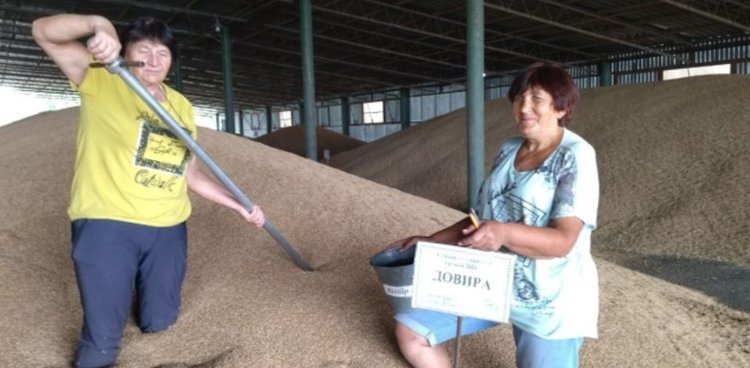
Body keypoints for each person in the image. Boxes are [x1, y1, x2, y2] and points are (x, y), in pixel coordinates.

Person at [32, 14, 266, 368]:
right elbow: (42, 32)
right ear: (125, 53)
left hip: (168, 228)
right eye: (143, 51)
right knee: (102, 343)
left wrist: (239, 206)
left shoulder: (181, 107)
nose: (154, 60)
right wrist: (99, 27)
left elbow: (190, 174)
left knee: (160, 321)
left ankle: (142, 298)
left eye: (163, 53)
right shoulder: (101, 78)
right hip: (108, 224)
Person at [388, 62, 599, 368]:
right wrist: (431, 242)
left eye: (536, 99)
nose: (524, 107)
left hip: (548, 300)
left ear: (561, 107)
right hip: (489, 282)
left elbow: (563, 241)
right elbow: (482, 218)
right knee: (412, 331)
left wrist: (502, 234)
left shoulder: (574, 156)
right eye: (519, 98)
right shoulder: (509, 149)